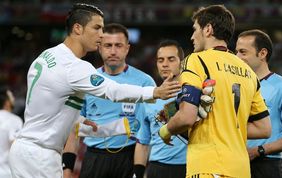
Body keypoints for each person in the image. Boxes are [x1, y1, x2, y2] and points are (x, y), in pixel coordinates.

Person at [8, 3, 180, 178]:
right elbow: (112, 91)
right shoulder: (74, 66)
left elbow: (50, 103)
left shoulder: (46, 56)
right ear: (77, 28)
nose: (101, 35)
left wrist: (78, 118)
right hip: (41, 156)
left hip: (24, 150)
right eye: (96, 28)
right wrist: (155, 93)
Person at [158, 5, 272, 178]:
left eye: (195, 29)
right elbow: (264, 128)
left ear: (208, 29)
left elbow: (187, 117)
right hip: (240, 169)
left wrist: (166, 130)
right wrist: (225, 123)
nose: (192, 36)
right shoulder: (249, 72)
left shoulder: (196, 60)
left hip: (208, 165)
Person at [76, 23, 157, 178]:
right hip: (94, 158)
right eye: (108, 45)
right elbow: (74, 128)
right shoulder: (85, 81)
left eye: (118, 45)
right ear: (99, 48)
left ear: (127, 48)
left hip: (130, 157)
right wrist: (67, 168)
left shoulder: (145, 82)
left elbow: (151, 126)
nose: (113, 51)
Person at [235, 29, 282, 178]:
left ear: (262, 53)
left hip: (266, 165)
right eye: (236, 52)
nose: (237, 57)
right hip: (234, 163)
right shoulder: (233, 85)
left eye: (243, 52)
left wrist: (259, 150)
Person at [134, 39, 187, 178]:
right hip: (158, 169)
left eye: (171, 59)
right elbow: (142, 142)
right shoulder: (148, 98)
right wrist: (137, 175)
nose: (164, 64)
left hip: (191, 166)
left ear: (182, 63)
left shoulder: (195, 94)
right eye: (160, 60)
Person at [0, 87, 23, 178]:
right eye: (11, 96)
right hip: (6, 173)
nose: (13, 98)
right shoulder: (14, 120)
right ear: (7, 102)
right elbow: (16, 147)